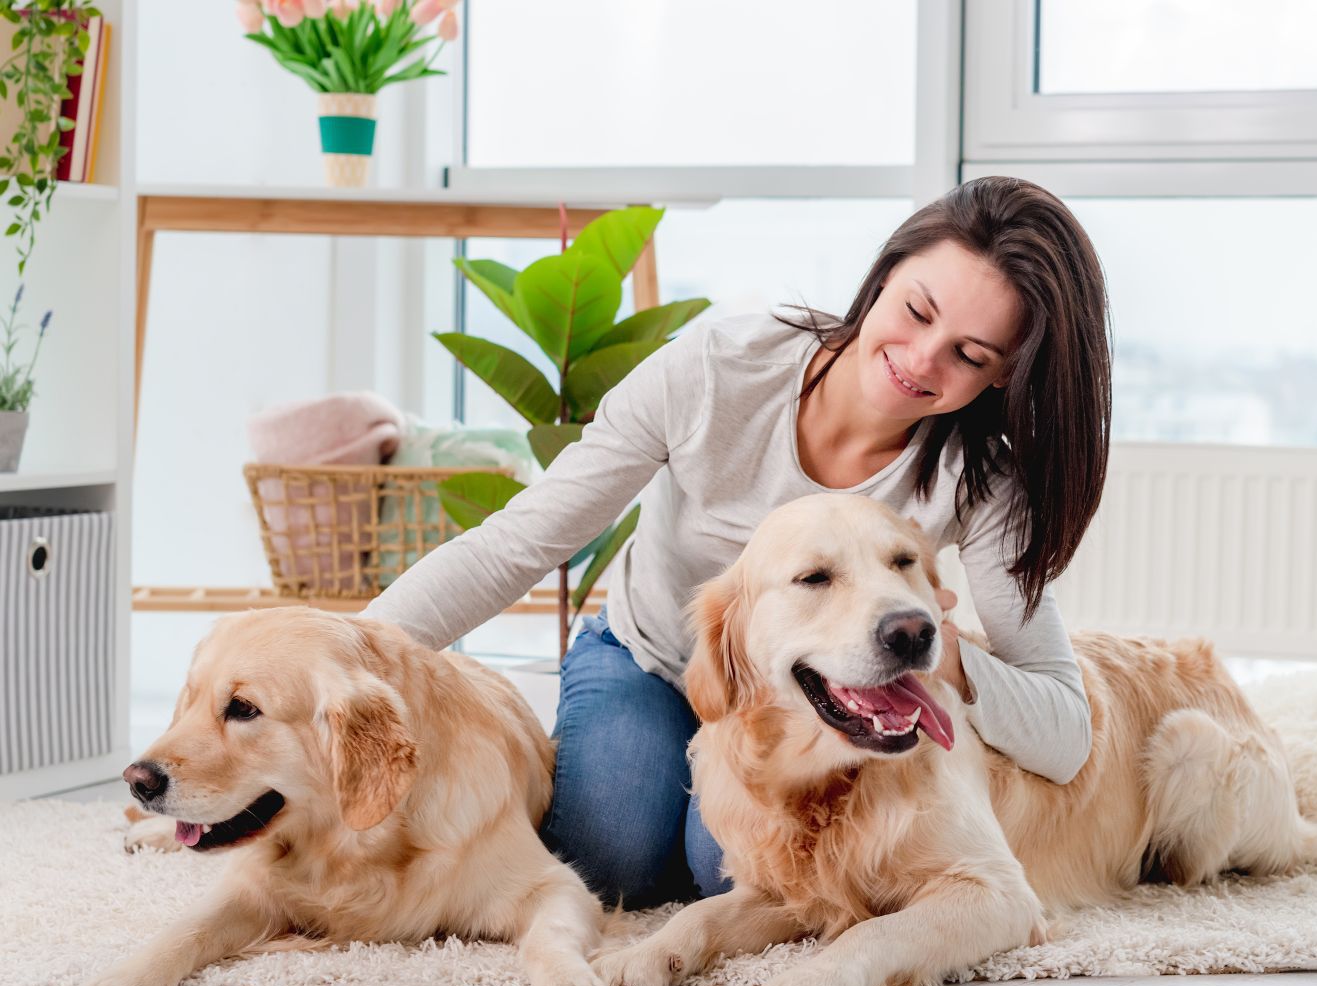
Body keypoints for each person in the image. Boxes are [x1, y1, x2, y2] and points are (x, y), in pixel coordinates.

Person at [361, 176, 1112, 907]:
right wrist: (349, 655)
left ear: (1003, 377)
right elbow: (511, 547)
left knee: (733, 873)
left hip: (821, 704)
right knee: (610, 857)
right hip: (651, 660)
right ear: (883, 276)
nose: (922, 359)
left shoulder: (981, 477)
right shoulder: (716, 370)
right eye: (917, 311)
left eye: (971, 356)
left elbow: (1065, 732)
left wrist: (946, 655)